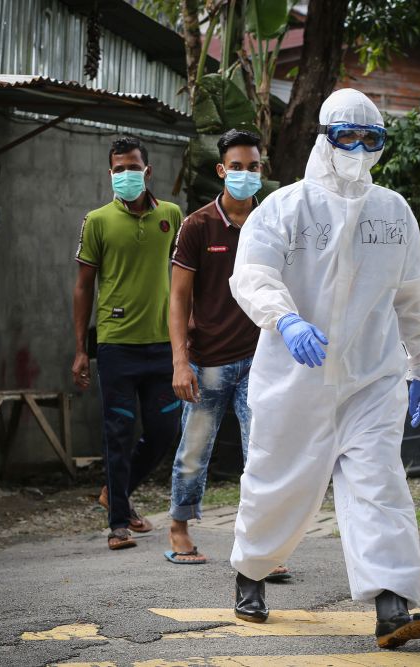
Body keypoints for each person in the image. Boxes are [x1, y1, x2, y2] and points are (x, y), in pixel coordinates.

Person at [227, 88, 420, 650]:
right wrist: (286, 320)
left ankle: (393, 605)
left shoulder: (393, 212)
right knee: (278, 480)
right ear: (325, 138)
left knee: (380, 485)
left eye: (373, 139)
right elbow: (253, 274)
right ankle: (251, 574)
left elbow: (412, 296)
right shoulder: (284, 207)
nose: (361, 148)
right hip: (294, 377)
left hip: (370, 378)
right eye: (349, 136)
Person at [164, 129, 291, 580]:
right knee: (194, 450)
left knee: (264, 453)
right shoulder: (198, 225)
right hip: (207, 362)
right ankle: (179, 528)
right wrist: (181, 361)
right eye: (236, 167)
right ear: (221, 170)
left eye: (252, 166)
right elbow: (178, 298)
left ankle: (263, 546)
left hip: (262, 362)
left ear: (262, 170)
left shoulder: (274, 222)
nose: (244, 174)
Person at [72, 136, 183, 551]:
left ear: (147, 171)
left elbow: (184, 277)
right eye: (118, 169)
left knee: (163, 430)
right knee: (117, 433)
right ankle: (118, 521)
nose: (125, 175)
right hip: (117, 346)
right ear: (110, 174)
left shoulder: (171, 215)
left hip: (162, 346)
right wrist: (82, 348)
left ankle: (115, 492)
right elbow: (83, 287)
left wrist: (185, 338)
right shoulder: (97, 220)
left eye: (132, 168)